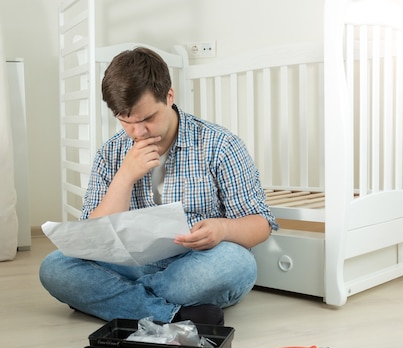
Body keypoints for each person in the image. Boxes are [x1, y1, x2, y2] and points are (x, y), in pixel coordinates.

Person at [40, 47, 278, 326]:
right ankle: (174, 314)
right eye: (126, 122)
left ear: (169, 97)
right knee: (54, 267)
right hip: (129, 266)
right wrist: (125, 175)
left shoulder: (220, 145)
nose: (138, 132)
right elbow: (92, 237)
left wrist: (222, 229)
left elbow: (260, 225)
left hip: (196, 264)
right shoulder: (111, 153)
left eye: (147, 119)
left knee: (237, 264)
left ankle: (120, 301)